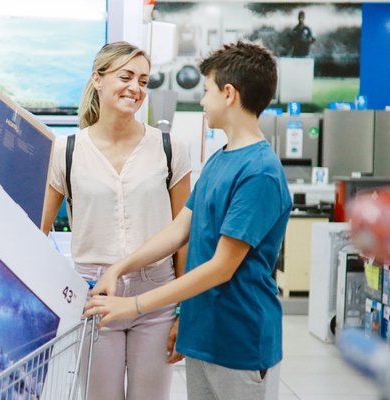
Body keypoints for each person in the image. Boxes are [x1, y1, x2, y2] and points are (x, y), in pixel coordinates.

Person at [83, 41, 290, 400]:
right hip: (205, 335)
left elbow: (221, 268)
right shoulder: (221, 159)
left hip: (240, 340)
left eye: (206, 91)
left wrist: (133, 306)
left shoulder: (260, 172)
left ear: (228, 94)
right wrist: (120, 268)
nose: (201, 100)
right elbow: (180, 230)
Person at [40, 41, 192, 400]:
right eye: (126, 76)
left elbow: (183, 235)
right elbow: (38, 229)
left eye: (143, 80)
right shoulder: (67, 150)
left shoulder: (170, 148)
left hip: (157, 294)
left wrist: (185, 309)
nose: (136, 88)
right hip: (93, 297)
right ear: (98, 79)